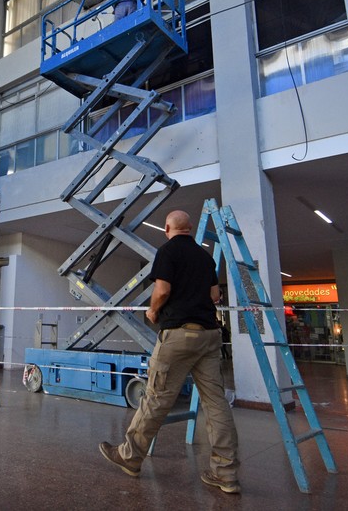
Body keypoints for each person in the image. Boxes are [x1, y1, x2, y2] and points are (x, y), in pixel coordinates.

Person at [99, 210, 240, 494]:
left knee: (156, 398)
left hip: (178, 335)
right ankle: (225, 474)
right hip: (209, 336)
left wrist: (153, 311)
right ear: (190, 228)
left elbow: (162, 290)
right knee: (216, 404)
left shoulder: (167, 251)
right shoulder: (205, 257)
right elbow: (214, 295)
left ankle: (130, 457)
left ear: (167, 228)